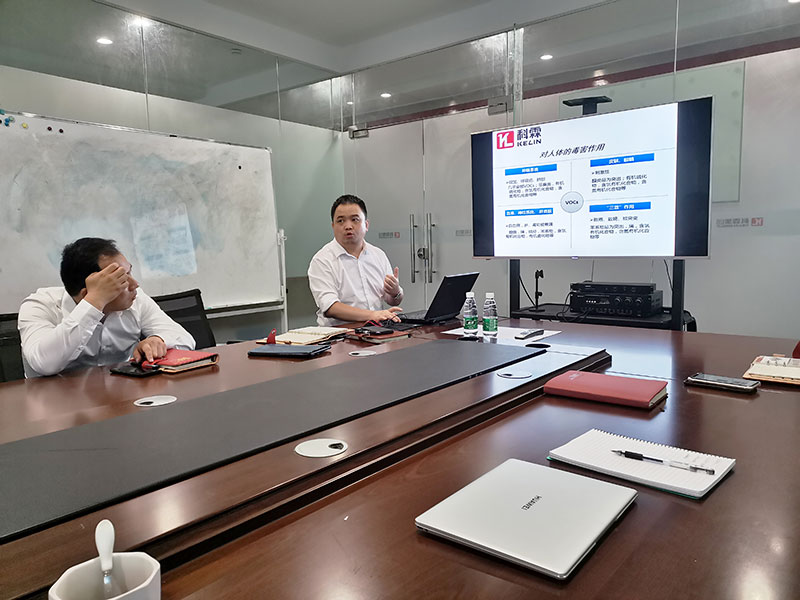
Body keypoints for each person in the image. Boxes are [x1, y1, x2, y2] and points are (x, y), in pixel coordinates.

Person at [18, 237, 196, 377]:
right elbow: (44, 363)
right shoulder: (40, 305)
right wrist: (94, 303)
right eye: (120, 279)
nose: (135, 284)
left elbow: (185, 339)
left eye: (129, 272)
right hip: (57, 406)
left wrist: (158, 340)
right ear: (87, 293)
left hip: (122, 400)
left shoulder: (136, 299)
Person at [308, 194, 403, 326]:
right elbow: (330, 307)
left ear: (366, 225)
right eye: (340, 221)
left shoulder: (378, 255)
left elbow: (392, 300)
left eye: (355, 219)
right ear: (333, 226)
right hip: (339, 333)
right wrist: (372, 315)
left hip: (377, 330)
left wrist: (395, 292)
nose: (348, 226)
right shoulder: (322, 260)